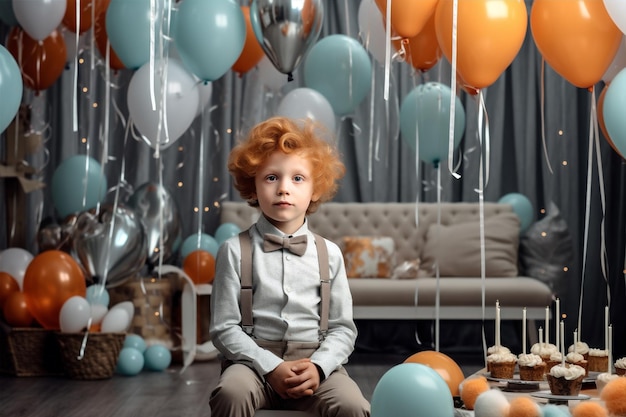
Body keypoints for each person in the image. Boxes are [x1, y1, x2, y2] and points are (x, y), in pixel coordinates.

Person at [209, 116, 370, 417]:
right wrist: (270, 367)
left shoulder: (330, 254)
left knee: (353, 406)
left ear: (315, 189)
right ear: (253, 187)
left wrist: (320, 367)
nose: (284, 188)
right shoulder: (233, 251)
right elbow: (224, 328)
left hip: (315, 365)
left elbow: (342, 329)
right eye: (271, 177)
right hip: (252, 365)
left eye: (298, 178)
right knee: (230, 394)